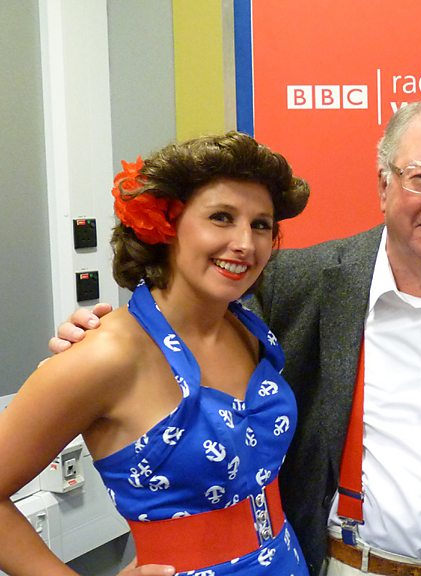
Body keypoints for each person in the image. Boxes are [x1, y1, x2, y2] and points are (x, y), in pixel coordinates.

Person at [54, 94, 421, 576]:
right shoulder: (292, 283)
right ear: (384, 185)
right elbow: (190, 328)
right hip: (347, 563)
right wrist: (100, 339)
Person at [0, 132, 311, 575]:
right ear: (164, 225)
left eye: (261, 224)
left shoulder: (247, 328)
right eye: (221, 217)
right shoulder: (107, 353)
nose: (246, 242)